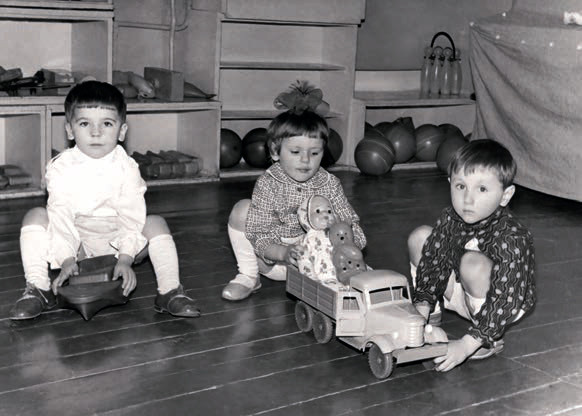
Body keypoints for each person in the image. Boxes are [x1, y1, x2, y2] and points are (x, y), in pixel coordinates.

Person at [9, 80, 200, 320]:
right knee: (35, 215)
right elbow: (60, 215)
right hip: (78, 245)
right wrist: (67, 259)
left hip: (119, 244)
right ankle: (39, 289)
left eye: (107, 123)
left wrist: (125, 258)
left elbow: (132, 217)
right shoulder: (59, 168)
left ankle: (169, 290)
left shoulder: (127, 168)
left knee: (156, 222)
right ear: (70, 130)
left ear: (122, 131)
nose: (96, 132)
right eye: (84, 123)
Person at [408, 139, 536, 371]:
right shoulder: (450, 218)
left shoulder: (512, 238)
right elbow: (434, 261)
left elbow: (506, 298)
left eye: (482, 189)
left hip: (503, 304)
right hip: (462, 288)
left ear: (505, 195)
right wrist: (421, 308)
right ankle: (429, 319)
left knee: (472, 263)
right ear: (449, 183)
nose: (468, 199)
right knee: (420, 238)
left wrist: (466, 346)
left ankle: (486, 339)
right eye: (460, 186)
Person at [223, 110, 366, 301]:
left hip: (319, 265)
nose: (305, 160)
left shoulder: (330, 184)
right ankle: (249, 276)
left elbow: (351, 224)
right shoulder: (268, 184)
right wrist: (283, 253)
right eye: (296, 152)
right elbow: (259, 233)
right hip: (273, 261)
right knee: (242, 209)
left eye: (314, 153)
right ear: (275, 152)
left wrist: (348, 245)